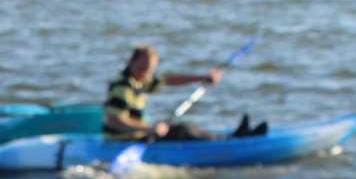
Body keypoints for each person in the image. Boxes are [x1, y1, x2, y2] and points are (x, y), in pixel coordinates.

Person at [103, 45, 265, 142]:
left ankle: (234, 138)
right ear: (131, 62)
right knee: (184, 130)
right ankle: (234, 141)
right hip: (123, 141)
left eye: (149, 70)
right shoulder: (123, 88)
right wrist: (150, 129)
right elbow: (114, 122)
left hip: (140, 136)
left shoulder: (141, 82)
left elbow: (170, 80)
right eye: (141, 68)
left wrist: (202, 77)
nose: (144, 73)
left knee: (186, 128)